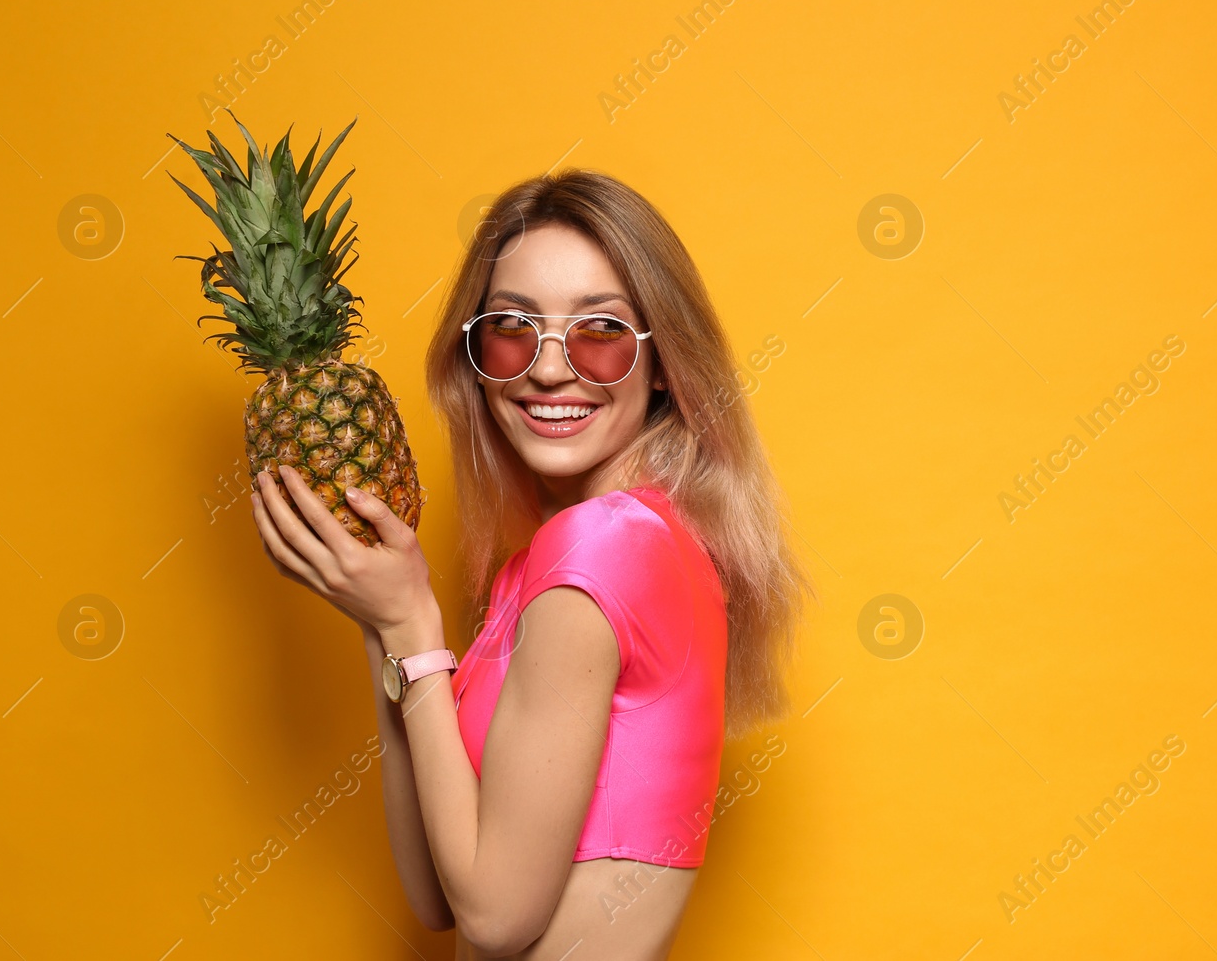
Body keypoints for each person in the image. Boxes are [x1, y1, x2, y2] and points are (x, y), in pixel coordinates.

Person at [249, 169, 809, 959]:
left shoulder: (605, 547)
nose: (550, 369)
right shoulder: (552, 563)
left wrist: (412, 625)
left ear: (662, 364)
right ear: (477, 356)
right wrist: (385, 625)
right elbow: (433, 893)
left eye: (602, 332)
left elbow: (495, 917)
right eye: (513, 326)